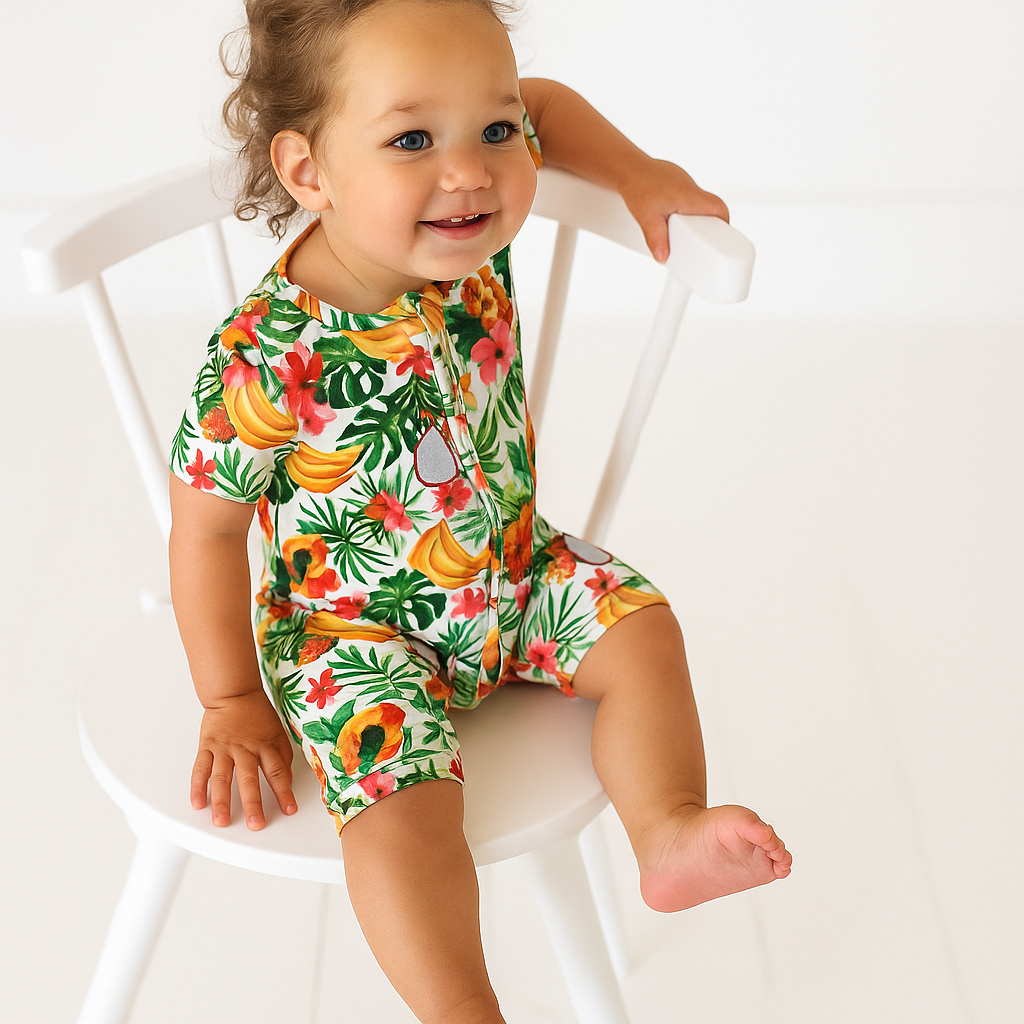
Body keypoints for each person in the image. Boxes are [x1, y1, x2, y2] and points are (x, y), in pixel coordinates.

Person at [168, 1, 792, 1021]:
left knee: (642, 629)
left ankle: (668, 826)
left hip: (513, 570)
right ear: (309, 171)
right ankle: (462, 1006)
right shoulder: (267, 356)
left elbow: (544, 102)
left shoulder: (456, 237)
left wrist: (639, 173)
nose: (470, 171)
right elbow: (204, 529)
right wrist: (230, 697)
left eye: (492, 130)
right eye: (412, 140)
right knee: (401, 811)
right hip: (353, 635)